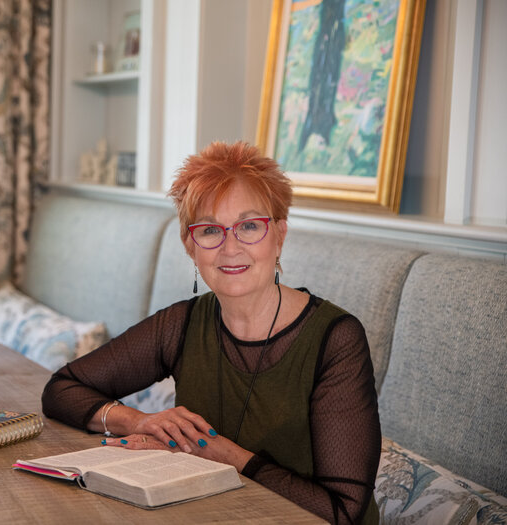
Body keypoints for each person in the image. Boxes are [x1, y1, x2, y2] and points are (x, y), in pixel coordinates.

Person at [41, 141, 380, 524]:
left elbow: (344, 512)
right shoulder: (181, 324)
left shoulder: (337, 339)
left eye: (249, 226)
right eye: (210, 230)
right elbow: (61, 390)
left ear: (279, 234)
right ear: (190, 245)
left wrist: (223, 455)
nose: (230, 248)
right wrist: (141, 421)